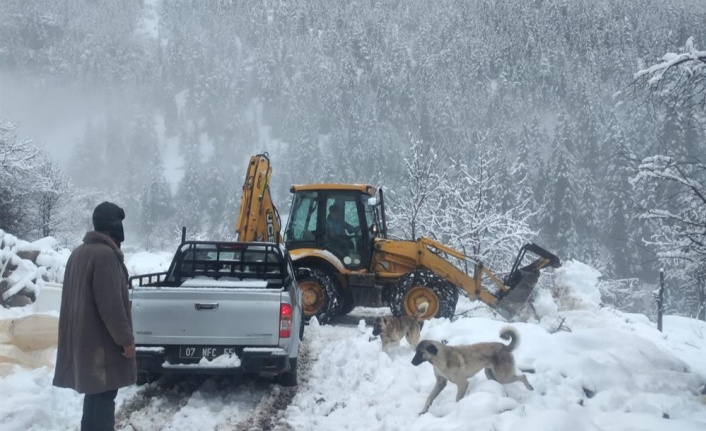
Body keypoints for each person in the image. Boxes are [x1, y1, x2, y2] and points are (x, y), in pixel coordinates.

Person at [53, 201, 136, 431]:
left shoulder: (78, 253)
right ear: (113, 226)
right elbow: (112, 306)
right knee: (104, 398)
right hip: (102, 345)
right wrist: (126, 340)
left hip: (84, 342)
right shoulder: (105, 256)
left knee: (94, 395)